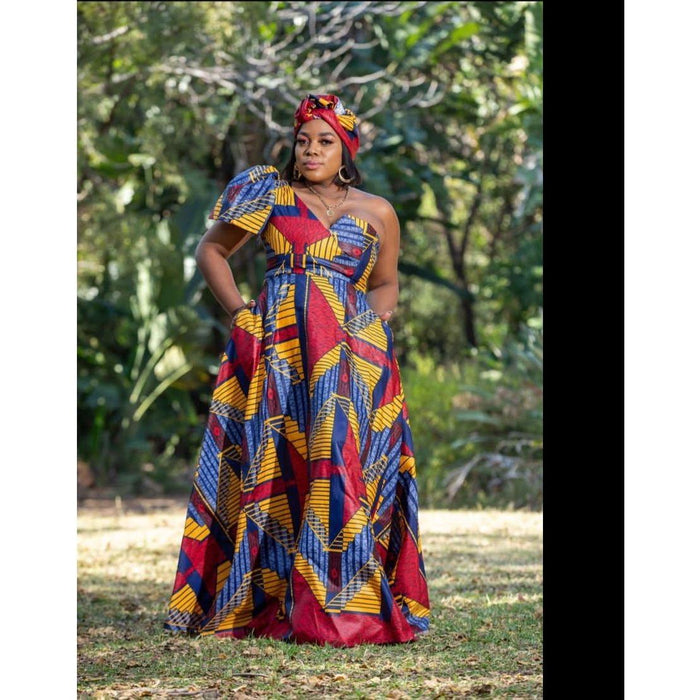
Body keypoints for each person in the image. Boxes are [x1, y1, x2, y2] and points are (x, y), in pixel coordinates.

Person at [164, 94, 430, 646]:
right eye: (303, 140)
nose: (311, 150)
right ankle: (269, 597)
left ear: (346, 150)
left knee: (344, 464)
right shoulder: (270, 194)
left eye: (325, 141)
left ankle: (344, 601)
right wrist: (241, 313)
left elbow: (385, 283)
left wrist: (372, 324)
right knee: (275, 464)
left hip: (351, 358)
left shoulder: (378, 211)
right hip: (281, 353)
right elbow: (212, 251)